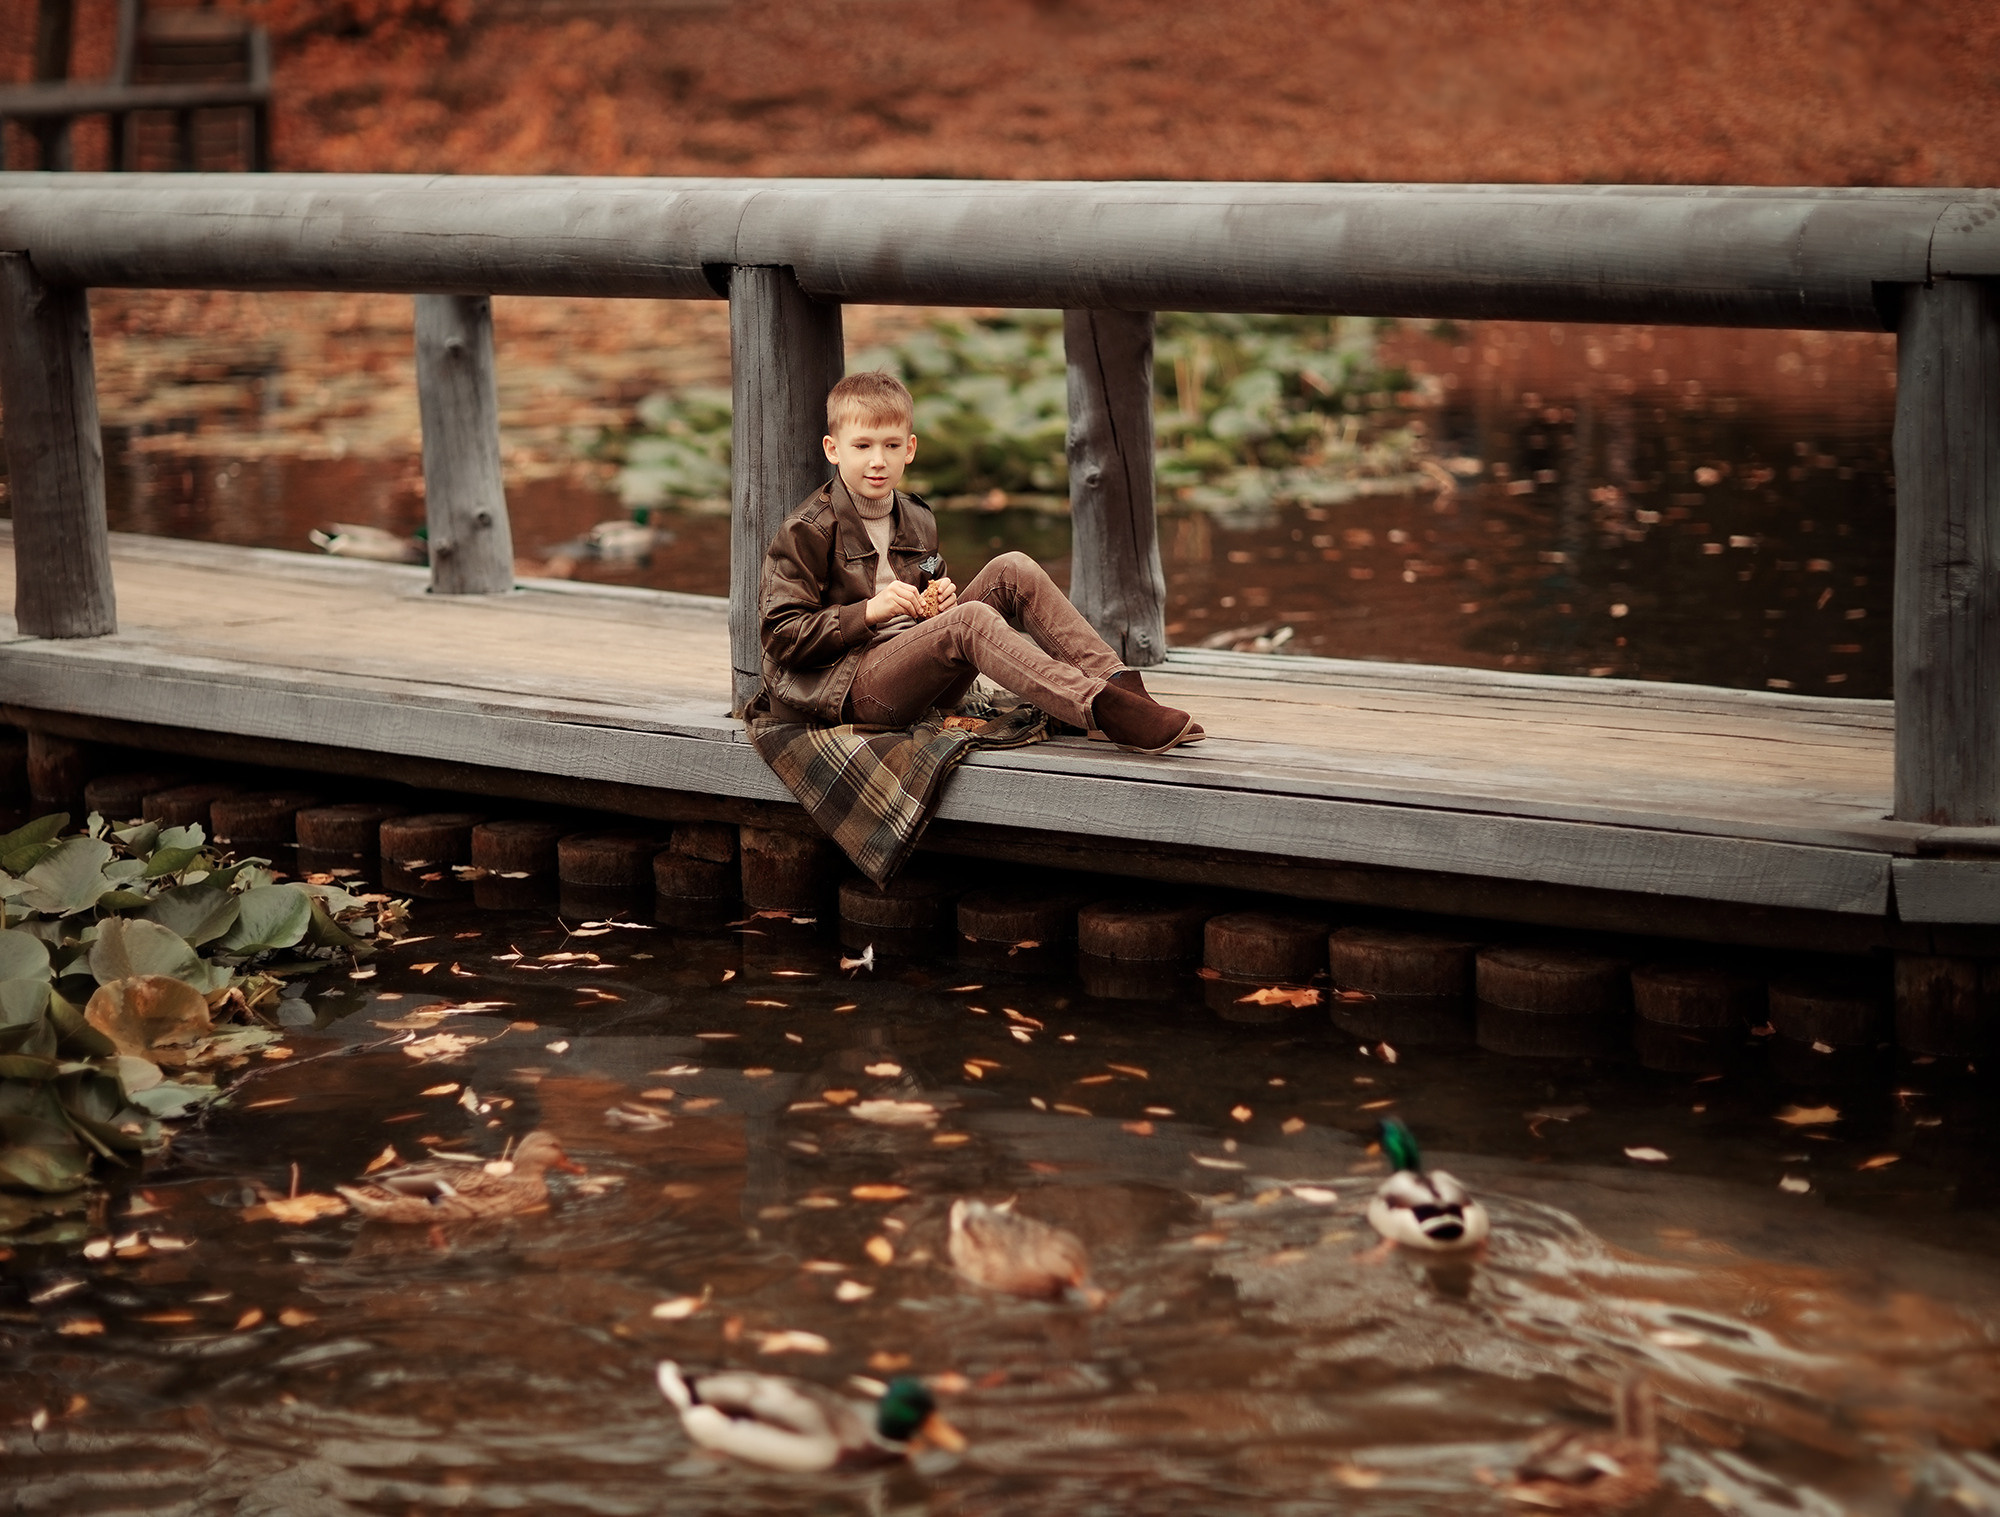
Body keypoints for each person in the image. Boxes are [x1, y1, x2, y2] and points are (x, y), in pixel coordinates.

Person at [756, 371, 1202, 753]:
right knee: (970, 621)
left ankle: (1120, 686)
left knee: (1012, 568)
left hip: (920, 675)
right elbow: (780, 635)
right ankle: (1098, 708)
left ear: (909, 448)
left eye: (891, 445)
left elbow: (930, 583)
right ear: (833, 449)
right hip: (852, 691)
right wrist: (869, 612)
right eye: (862, 446)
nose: (878, 460)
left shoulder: (916, 517)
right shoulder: (807, 530)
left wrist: (941, 599)